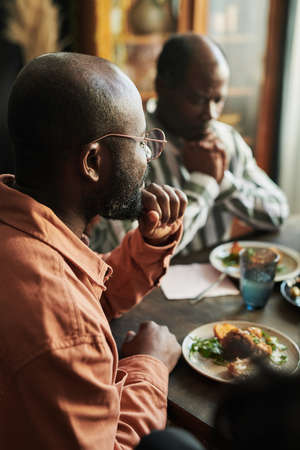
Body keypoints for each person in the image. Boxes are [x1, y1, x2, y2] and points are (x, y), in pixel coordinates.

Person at [0, 52, 188, 449]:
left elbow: (81, 290)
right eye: (139, 141)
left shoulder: (22, 231)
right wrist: (147, 365)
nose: (147, 156)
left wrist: (150, 246)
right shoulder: (66, 328)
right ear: (92, 161)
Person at [89, 32, 289, 256]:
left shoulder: (226, 140)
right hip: (138, 287)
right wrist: (204, 183)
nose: (211, 114)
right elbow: (132, 248)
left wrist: (223, 182)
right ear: (162, 86)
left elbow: (278, 211)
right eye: (197, 100)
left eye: (218, 100)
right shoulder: (129, 147)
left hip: (212, 281)